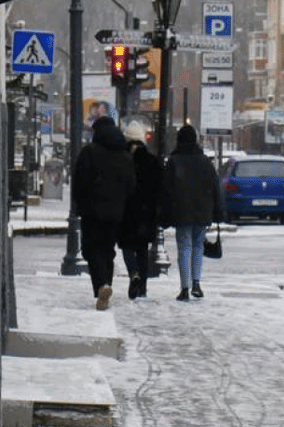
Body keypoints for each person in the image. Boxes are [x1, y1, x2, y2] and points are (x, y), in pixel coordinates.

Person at [71, 115, 135, 310]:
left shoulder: (89, 152)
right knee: (108, 250)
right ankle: (105, 287)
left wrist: (80, 206)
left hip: (92, 211)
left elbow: (79, 182)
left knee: (92, 249)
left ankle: (102, 285)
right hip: (116, 212)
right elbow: (132, 185)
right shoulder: (125, 156)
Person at [159, 124, 223, 302]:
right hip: (202, 212)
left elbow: (166, 190)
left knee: (184, 247)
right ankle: (196, 283)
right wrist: (218, 212)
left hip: (182, 211)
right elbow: (215, 187)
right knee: (198, 246)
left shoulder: (174, 161)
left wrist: (164, 213)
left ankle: (185, 288)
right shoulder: (204, 161)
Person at [119, 120, 162, 300]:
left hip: (127, 212)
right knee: (143, 249)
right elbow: (160, 188)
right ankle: (143, 286)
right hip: (147, 213)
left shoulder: (122, 160)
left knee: (127, 246)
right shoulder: (152, 161)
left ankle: (133, 273)